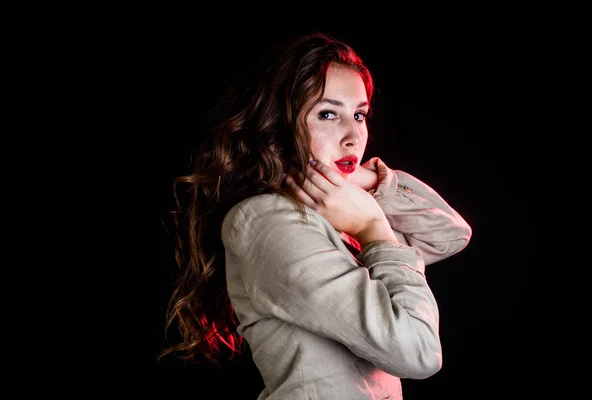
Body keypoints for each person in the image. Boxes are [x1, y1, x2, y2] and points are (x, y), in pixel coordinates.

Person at [159, 32, 472, 399]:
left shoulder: (333, 212)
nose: (353, 135)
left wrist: (365, 179)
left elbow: (450, 234)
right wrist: (373, 229)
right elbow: (417, 352)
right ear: (279, 124)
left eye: (359, 114)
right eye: (328, 114)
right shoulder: (265, 219)